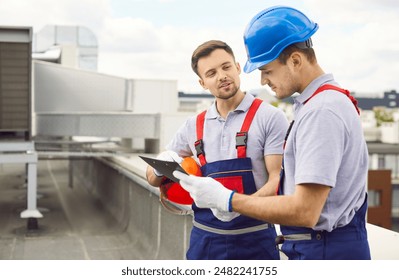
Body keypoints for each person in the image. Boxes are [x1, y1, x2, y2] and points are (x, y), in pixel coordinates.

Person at [174, 6, 371, 260]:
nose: (264, 80)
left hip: (326, 251)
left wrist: (228, 200)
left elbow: (306, 211)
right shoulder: (321, 104)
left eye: (266, 70)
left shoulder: (322, 112)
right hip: (319, 247)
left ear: (295, 60)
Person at [145, 40, 289, 260]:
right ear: (203, 83)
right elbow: (153, 180)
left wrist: (236, 205)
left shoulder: (270, 117)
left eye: (226, 67)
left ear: (238, 68)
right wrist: (159, 167)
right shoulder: (193, 126)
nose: (221, 75)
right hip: (204, 243)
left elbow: (276, 180)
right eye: (211, 73)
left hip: (255, 242)